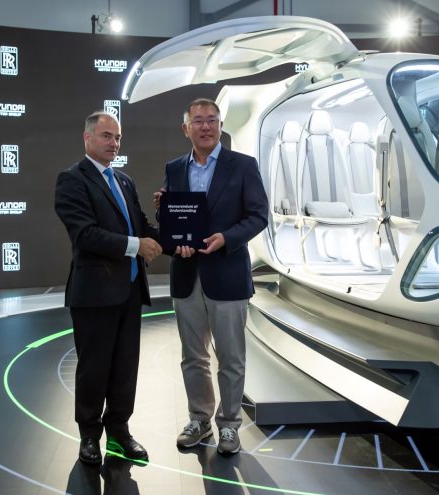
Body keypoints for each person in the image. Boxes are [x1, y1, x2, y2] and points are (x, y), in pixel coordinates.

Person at [154, 98, 268, 455]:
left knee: (231, 357)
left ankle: (230, 425)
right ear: (185, 128)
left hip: (227, 273)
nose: (206, 127)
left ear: (220, 125)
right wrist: (164, 212)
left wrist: (226, 239)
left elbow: (258, 215)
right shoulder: (174, 168)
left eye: (212, 120)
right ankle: (199, 419)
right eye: (198, 121)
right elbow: (174, 219)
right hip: (186, 274)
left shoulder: (243, 165)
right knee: (193, 356)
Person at [55, 111, 162, 465]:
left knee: (125, 367)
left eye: (117, 137)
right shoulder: (72, 179)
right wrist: (136, 246)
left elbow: (142, 226)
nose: (114, 143)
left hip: (129, 291)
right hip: (94, 293)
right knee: (93, 368)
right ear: (87, 138)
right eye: (106, 136)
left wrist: (178, 229)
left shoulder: (124, 181)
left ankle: (119, 429)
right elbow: (85, 235)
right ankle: (89, 436)